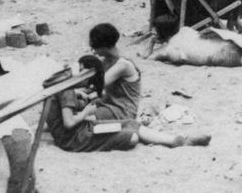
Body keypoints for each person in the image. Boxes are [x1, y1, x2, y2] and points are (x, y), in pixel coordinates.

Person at [48, 55, 210, 152]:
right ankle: (175, 141)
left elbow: (59, 109)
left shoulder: (64, 84)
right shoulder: (68, 90)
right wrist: (85, 113)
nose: (88, 84)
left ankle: (176, 140)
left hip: (80, 131)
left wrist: (78, 95)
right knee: (131, 137)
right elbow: (68, 123)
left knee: (131, 123)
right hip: (75, 139)